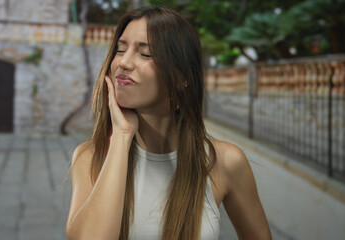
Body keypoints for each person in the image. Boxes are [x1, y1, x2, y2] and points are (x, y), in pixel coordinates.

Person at [66, 6, 271, 240]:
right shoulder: (90, 158)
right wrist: (122, 136)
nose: (123, 62)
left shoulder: (224, 162)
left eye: (145, 54)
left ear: (181, 78)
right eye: (120, 50)